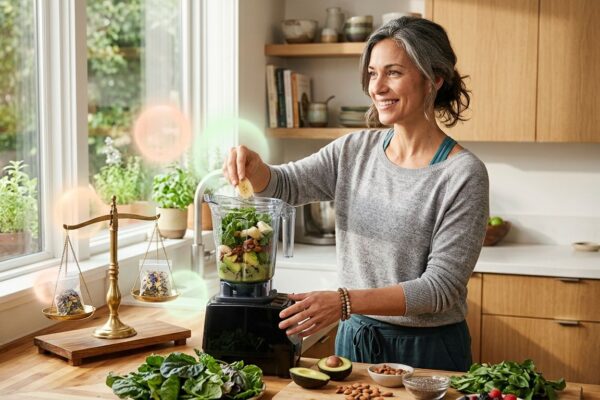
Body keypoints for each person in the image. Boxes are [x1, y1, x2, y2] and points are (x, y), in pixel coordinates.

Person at [222, 16, 489, 372]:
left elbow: (440, 289)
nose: (377, 87)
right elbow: (286, 186)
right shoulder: (352, 151)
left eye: (393, 72)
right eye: (372, 73)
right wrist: (256, 169)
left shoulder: (462, 174)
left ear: (434, 79)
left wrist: (345, 301)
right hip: (356, 340)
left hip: (428, 352)